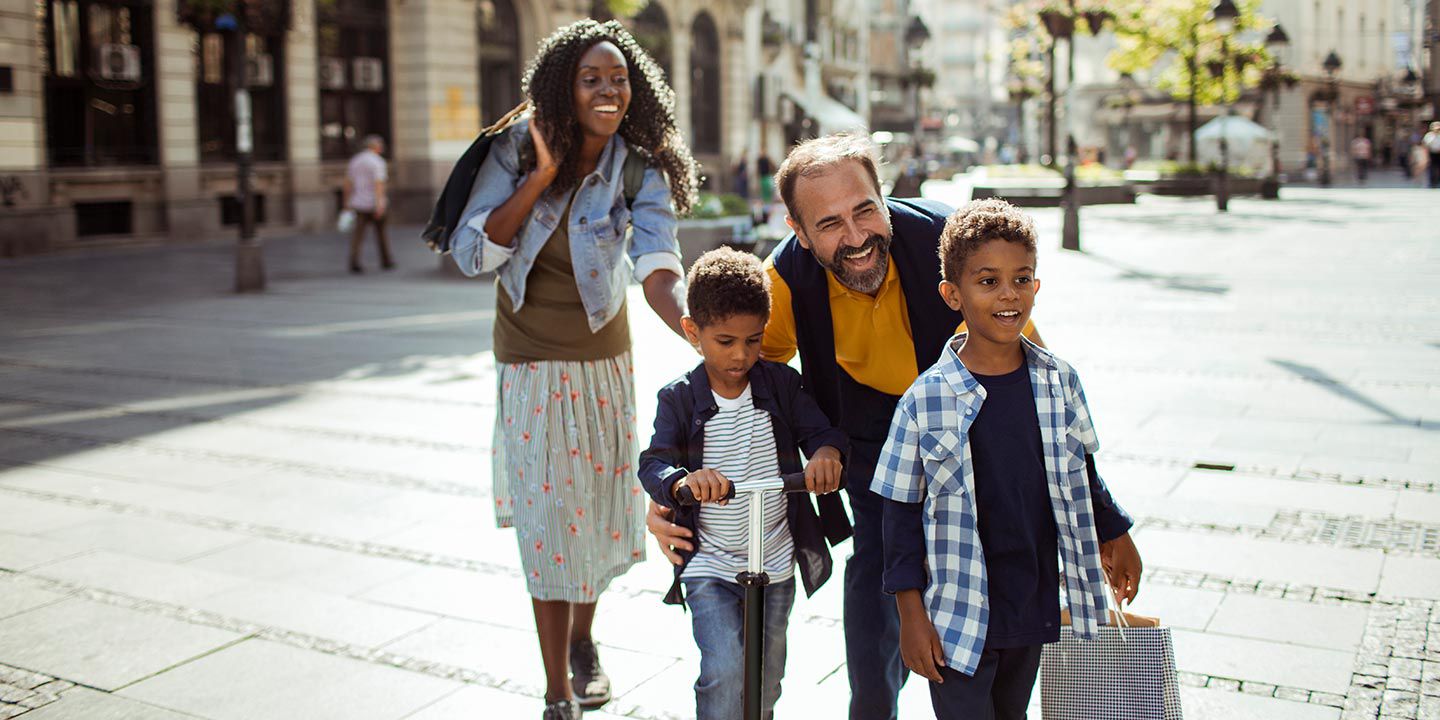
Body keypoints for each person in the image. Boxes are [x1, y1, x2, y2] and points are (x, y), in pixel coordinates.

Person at [647, 133, 1045, 720]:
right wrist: (672, 490)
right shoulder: (780, 281)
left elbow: (1032, 374)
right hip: (867, 431)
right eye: (829, 224)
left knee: (991, 559)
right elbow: (730, 381)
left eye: (864, 210)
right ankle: (873, 710)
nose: (856, 237)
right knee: (879, 567)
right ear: (799, 231)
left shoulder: (951, 246)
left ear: (883, 198)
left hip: (969, 420)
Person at [449, 19, 700, 720]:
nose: (607, 90)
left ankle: (583, 641)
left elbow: (656, 264)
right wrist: (543, 176)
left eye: (618, 79)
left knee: (588, 514)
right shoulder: (515, 147)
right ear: (565, 84)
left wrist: (693, 327)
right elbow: (475, 252)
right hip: (527, 360)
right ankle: (557, 689)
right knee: (546, 520)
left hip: (602, 363)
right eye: (592, 78)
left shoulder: (637, 165)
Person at [872, 199, 1142, 719]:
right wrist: (910, 614)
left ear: (1036, 285)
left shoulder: (1058, 381)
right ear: (953, 294)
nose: (1008, 295)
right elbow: (899, 512)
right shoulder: (925, 400)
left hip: (1031, 602)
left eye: (1022, 279)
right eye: (988, 281)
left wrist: (1117, 531)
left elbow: (1081, 470)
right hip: (956, 613)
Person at [637, 247, 851, 720]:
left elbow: (822, 432)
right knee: (726, 668)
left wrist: (825, 454)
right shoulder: (678, 398)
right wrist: (682, 483)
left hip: (774, 560)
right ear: (693, 331)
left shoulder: (780, 385)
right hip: (710, 562)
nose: (740, 356)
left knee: (767, 676)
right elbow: (653, 462)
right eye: (725, 341)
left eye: (753, 340)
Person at [343, 134, 393, 273]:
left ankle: (354, 261)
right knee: (381, 234)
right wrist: (379, 205)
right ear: (375, 147)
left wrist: (346, 203)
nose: (382, 148)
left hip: (358, 202)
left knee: (358, 235)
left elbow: (348, 183)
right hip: (374, 203)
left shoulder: (355, 160)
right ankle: (386, 260)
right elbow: (379, 184)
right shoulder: (377, 162)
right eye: (380, 145)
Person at [1424, 122, 1440, 188]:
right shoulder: (1429, 135)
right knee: (1432, 168)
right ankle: (1432, 182)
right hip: (1432, 153)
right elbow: (1425, 145)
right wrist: (1426, 156)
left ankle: (1438, 181)